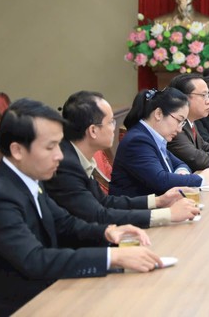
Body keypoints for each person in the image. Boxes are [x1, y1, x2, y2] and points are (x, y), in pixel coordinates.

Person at [0, 99, 162, 316]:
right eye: (50, 147)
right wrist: (111, 257)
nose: (59, 155)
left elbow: (65, 223)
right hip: (19, 306)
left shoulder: (29, 178)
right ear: (17, 150)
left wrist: (109, 232)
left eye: (59, 144)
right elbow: (34, 260)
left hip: (50, 292)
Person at [44, 91, 199, 227]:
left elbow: (105, 202)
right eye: (111, 122)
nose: (115, 127)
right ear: (92, 130)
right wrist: (168, 215)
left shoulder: (78, 157)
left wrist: (159, 201)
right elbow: (97, 215)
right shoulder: (65, 164)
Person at [110, 88, 209, 197]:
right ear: (158, 114)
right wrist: (201, 179)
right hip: (138, 211)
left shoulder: (152, 137)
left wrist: (181, 174)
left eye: (182, 123)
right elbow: (160, 180)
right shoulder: (138, 141)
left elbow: (179, 164)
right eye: (179, 120)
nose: (179, 129)